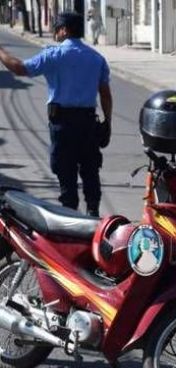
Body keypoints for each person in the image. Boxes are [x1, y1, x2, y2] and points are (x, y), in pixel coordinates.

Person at [0, 11, 112, 217]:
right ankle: (94, 214)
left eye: (57, 29)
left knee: (65, 172)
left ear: (64, 30)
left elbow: (19, 68)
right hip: (88, 123)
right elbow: (105, 95)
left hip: (63, 124)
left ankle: (69, 216)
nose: (54, 33)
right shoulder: (97, 59)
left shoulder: (54, 55)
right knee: (90, 170)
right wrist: (108, 123)